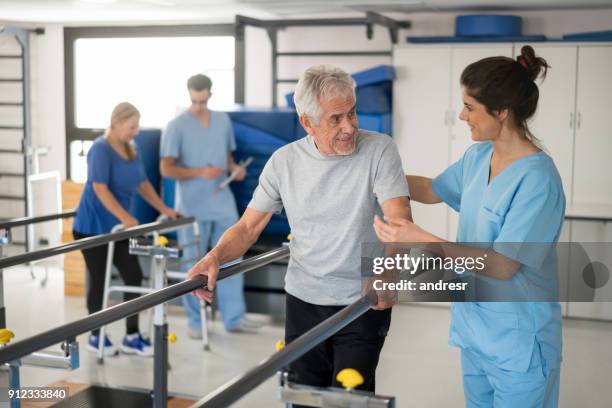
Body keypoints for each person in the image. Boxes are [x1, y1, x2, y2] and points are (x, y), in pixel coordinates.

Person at [186, 65, 412, 396]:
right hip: (304, 301)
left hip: (362, 301)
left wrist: (389, 272)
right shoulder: (284, 162)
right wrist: (215, 255)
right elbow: (249, 226)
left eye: (352, 113)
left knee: (350, 400)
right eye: (336, 119)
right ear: (307, 122)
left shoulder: (380, 149)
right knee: (303, 395)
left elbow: (399, 218)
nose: (349, 126)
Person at [374, 46, 564, 407]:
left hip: (520, 341)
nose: (462, 115)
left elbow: (503, 265)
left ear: (502, 112)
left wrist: (424, 240)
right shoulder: (479, 156)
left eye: (471, 107)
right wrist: (375, 176)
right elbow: (432, 189)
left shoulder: (538, 181)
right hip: (476, 333)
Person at [73, 102, 179, 357]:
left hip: (117, 229)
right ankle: (96, 335)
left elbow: (142, 183)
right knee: (99, 280)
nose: (136, 131)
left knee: (132, 276)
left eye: (138, 126)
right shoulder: (100, 149)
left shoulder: (131, 149)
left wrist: (165, 208)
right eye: (132, 126)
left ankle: (132, 335)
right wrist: (126, 217)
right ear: (117, 123)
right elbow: (100, 189)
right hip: (93, 227)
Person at [160, 74, 260, 337]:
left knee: (232, 257)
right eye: (194, 101)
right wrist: (198, 173)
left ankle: (234, 318)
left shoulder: (222, 121)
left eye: (203, 101)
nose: (198, 106)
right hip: (192, 205)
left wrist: (235, 170)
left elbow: (227, 158)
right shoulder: (176, 126)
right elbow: (166, 168)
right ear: (188, 94)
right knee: (192, 263)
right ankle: (196, 322)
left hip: (221, 200)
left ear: (210, 95)